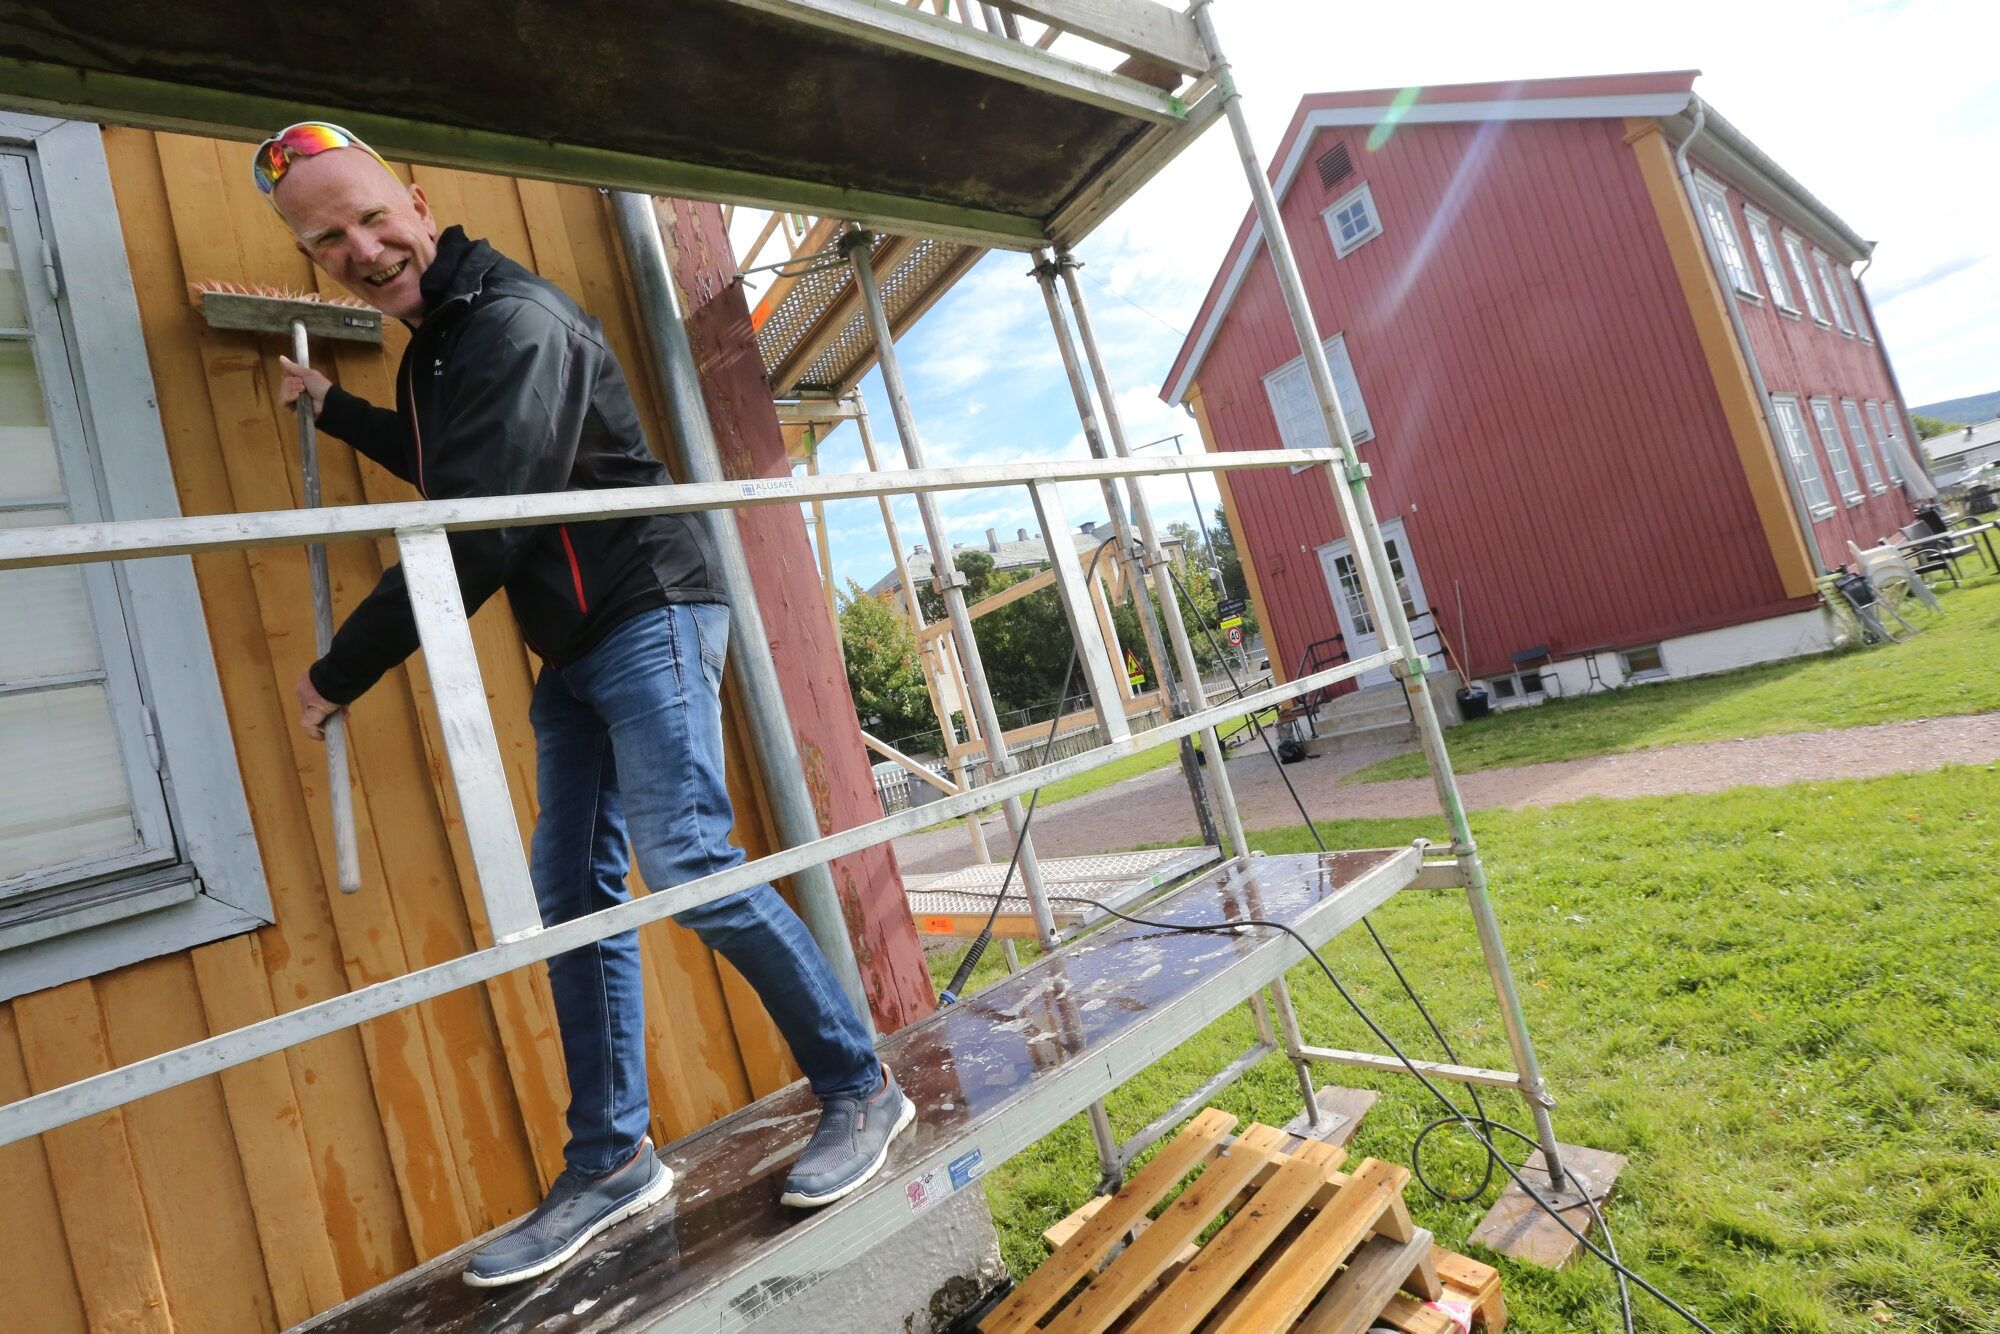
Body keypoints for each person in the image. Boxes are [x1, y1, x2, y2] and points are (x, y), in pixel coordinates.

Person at [253, 122, 913, 1288]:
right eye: (329, 239)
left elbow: (478, 529)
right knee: (572, 896)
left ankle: (863, 1088)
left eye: (371, 217)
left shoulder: (512, 320)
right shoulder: (444, 339)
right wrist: (333, 408)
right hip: (575, 640)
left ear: (417, 199)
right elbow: (452, 465)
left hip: (644, 603)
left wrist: (333, 673)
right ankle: (611, 1161)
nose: (361, 247)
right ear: (316, 258)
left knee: (686, 854)